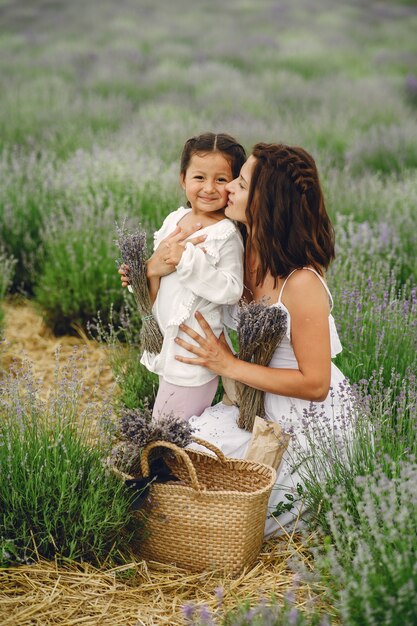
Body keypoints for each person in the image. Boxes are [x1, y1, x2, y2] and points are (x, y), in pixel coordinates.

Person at [172, 143, 352, 536]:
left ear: (266, 201)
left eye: (241, 182)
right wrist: (146, 274)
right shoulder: (239, 247)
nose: (229, 189)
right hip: (251, 401)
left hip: (302, 419)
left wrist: (229, 365)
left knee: (226, 497)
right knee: (178, 457)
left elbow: (316, 383)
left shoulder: (301, 282)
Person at [120, 132, 246, 420]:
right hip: (166, 345)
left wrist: (186, 259)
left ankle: (164, 465)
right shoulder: (174, 220)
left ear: (235, 184)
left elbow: (231, 290)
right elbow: (159, 280)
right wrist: (142, 274)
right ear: (183, 179)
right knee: (170, 430)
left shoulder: (226, 235)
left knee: (166, 431)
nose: (209, 188)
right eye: (199, 178)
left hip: (193, 356)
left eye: (221, 180)